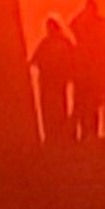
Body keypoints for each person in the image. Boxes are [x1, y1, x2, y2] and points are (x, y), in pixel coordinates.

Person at [70, 0, 105, 141]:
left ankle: (100, 131)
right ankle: (99, 131)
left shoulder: (93, 25)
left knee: (97, 101)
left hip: (96, 69)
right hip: (99, 68)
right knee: (95, 101)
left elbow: (72, 26)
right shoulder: (104, 24)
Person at [30, 13, 78, 146]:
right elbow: (34, 61)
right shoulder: (49, 43)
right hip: (50, 82)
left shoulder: (55, 43)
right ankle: (54, 135)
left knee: (56, 108)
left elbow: (33, 61)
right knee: (53, 109)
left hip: (54, 82)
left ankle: (58, 135)